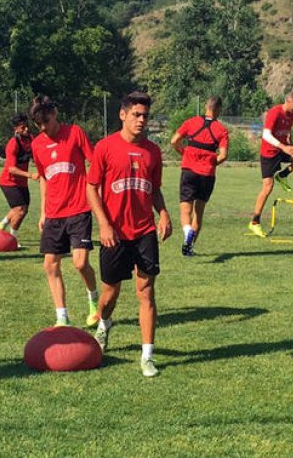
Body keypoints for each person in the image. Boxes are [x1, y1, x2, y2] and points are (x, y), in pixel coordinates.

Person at [87, 91, 172, 377]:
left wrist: (163, 213)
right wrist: (104, 224)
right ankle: (104, 325)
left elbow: (154, 188)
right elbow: (91, 187)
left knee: (146, 292)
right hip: (115, 233)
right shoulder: (105, 147)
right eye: (136, 114)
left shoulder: (153, 151)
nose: (142, 120)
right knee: (110, 294)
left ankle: (147, 355)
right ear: (122, 115)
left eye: (145, 115)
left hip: (144, 230)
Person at [29, 95, 100, 327]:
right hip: (54, 213)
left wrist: (96, 194)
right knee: (50, 264)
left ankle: (93, 300)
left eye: (46, 121)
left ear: (55, 114)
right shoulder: (37, 144)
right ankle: (62, 317)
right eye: (38, 124)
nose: (43, 128)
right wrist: (42, 212)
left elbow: (94, 163)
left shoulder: (75, 133)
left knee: (80, 263)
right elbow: (43, 179)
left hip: (79, 209)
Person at [169, 96, 229, 256]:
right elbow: (223, 155)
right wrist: (211, 163)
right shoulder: (221, 130)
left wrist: (184, 153)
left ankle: (187, 231)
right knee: (199, 212)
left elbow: (174, 141)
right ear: (219, 110)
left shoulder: (191, 122)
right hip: (207, 175)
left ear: (205, 106)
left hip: (188, 170)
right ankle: (189, 248)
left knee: (185, 211)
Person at [248, 91, 293, 237]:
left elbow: (287, 133)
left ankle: (283, 175)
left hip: (284, 149)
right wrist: (284, 148)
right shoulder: (274, 112)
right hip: (269, 153)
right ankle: (255, 222)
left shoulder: (292, 114)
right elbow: (266, 135)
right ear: (289, 101)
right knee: (267, 188)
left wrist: (290, 144)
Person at [0, 113, 35, 245]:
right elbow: (11, 168)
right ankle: (13, 239)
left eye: (27, 126)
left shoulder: (30, 139)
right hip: (8, 181)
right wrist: (30, 175)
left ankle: (2, 223)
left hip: (21, 183)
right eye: (23, 127)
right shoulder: (13, 144)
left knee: (23, 209)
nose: (26, 129)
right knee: (20, 210)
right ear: (16, 129)